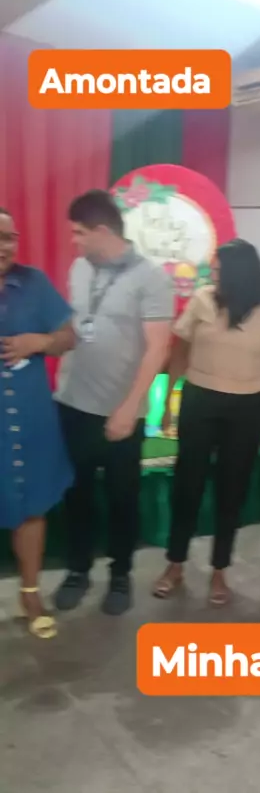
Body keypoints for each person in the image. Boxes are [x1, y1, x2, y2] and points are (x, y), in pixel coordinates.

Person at [54, 189, 172, 616]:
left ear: (103, 230)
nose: (74, 241)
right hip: (72, 404)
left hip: (121, 412)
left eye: (79, 233)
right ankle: (77, 570)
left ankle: (120, 574)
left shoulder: (151, 278)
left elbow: (158, 348)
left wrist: (130, 406)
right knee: (77, 494)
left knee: (123, 498)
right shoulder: (79, 268)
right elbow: (74, 325)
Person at [153, 239, 260, 605]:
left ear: (240, 273)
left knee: (232, 489)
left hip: (247, 406)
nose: (212, 276)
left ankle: (220, 570)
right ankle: (175, 564)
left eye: (219, 270)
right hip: (201, 400)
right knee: (187, 485)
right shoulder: (202, 300)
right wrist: (168, 402)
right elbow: (179, 351)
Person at [0, 207, 75, 639]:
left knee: (32, 506)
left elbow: (69, 337)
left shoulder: (34, 284)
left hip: (30, 417)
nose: (4, 246)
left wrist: (39, 341)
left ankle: (30, 593)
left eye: (9, 237)